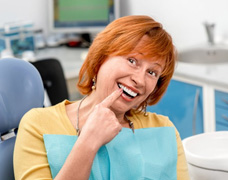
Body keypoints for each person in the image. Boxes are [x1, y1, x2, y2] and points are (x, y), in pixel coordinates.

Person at [14, 15, 190, 180]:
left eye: (152, 72)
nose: (140, 80)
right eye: (132, 60)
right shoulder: (37, 124)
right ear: (100, 59)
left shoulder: (165, 130)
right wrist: (88, 142)